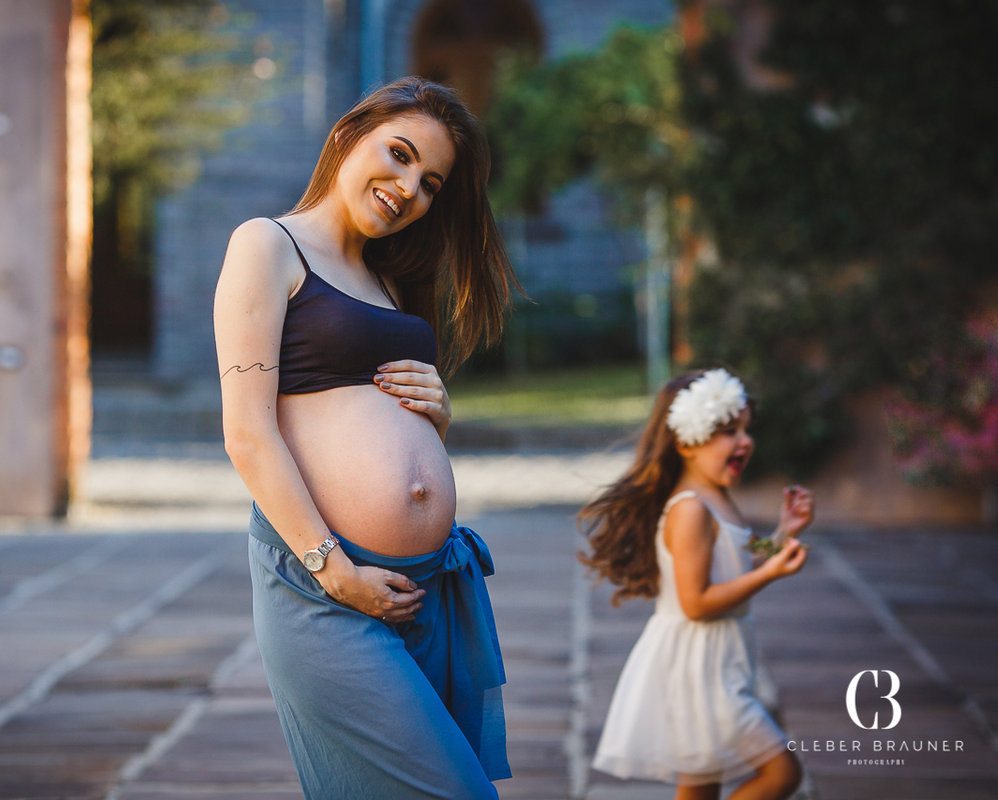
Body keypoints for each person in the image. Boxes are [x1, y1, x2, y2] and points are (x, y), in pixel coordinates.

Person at [213, 77, 518, 799]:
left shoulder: (387, 279)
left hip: (423, 586)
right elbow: (248, 434)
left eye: (431, 183)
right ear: (352, 133)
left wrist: (433, 418)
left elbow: (369, 410)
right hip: (326, 587)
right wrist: (332, 569)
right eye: (400, 153)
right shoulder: (268, 244)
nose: (409, 187)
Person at [581, 369, 814, 800]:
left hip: (719, 660)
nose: (744, 440)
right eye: (728, 431)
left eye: (746, 429)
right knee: (782, 773)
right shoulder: (690, 509)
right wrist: (770, 574)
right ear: (686, 441)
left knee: (701, 783)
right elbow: (696, 603)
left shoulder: (715, 497)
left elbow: (736, 561)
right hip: (698, 668)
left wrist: (783, 531)